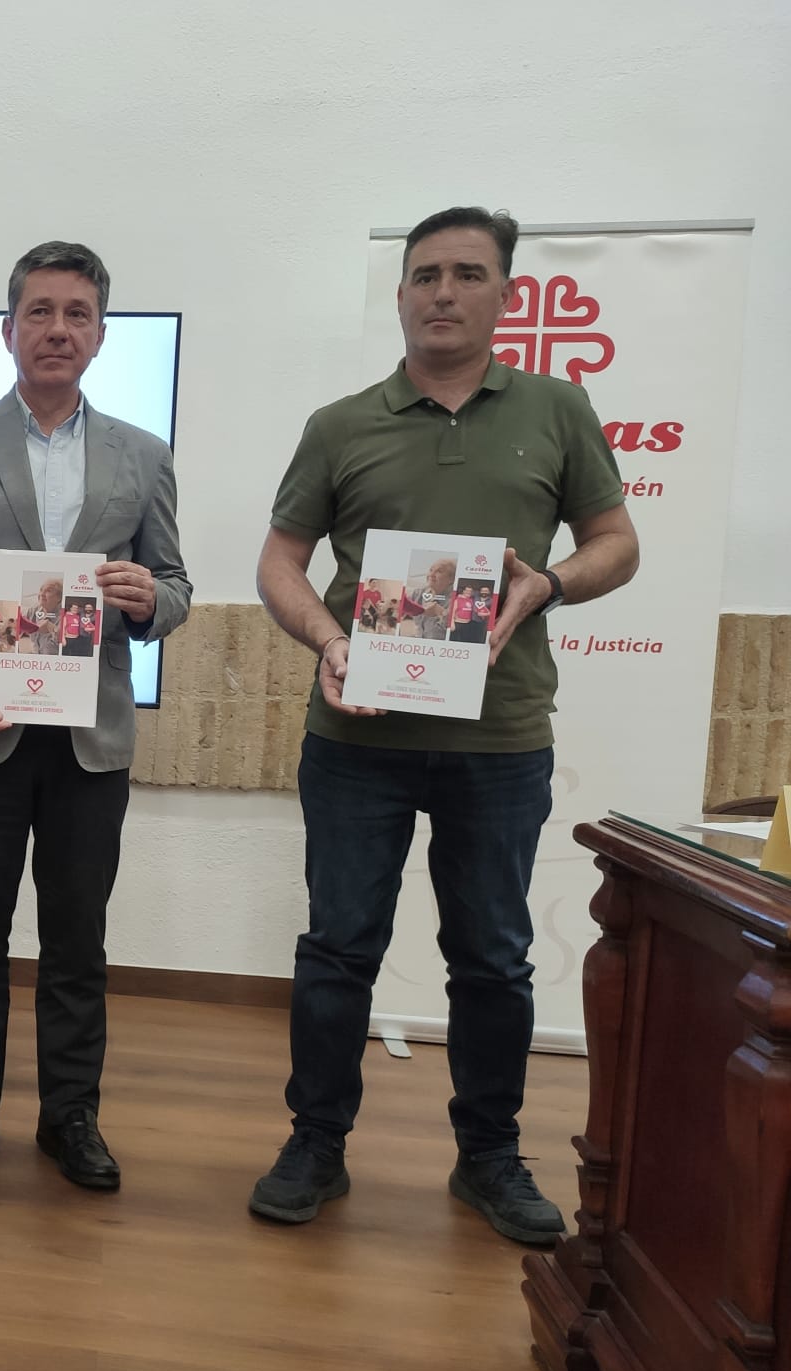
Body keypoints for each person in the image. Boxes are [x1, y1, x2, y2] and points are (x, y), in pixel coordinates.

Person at [250, 206, 639, 1244]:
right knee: (336, 948)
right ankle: (314, 1144)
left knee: (491, 958)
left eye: (466, 273)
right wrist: (329, 641)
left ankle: (488, 1159)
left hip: (498, 740)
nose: (442, 291)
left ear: (503, 294)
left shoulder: (557, 411)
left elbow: (615, 544)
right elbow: (278, 564)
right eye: (424, 274)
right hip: (355, 739)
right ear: (400, 294)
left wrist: (544, 585)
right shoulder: (341, 423)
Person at [0, 241, 192, 1191]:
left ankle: (71, 1117)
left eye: (78, 314)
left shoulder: (144, 455)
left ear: (100, 335)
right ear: (8, 326)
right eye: (41, 311)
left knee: (76, 938)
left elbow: (176, 588)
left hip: (90, 739)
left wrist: (149, 598)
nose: (58, 329)